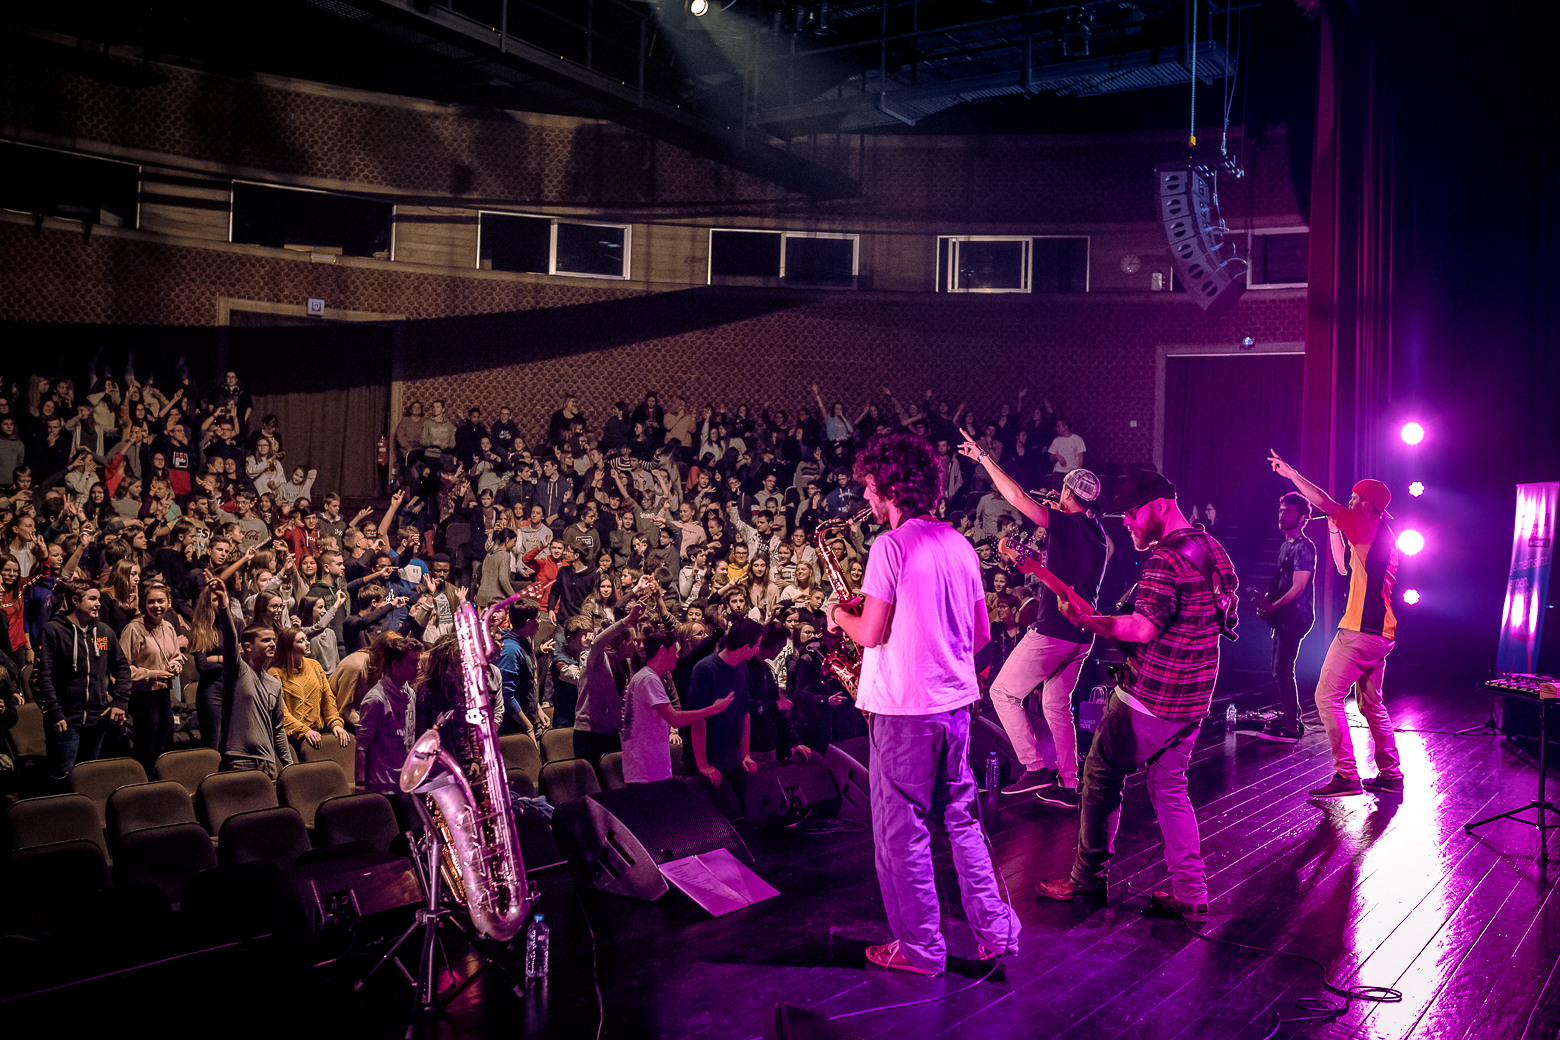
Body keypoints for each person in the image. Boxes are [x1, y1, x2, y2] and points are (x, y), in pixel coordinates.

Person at [829, 432, 1019, 976]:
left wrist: (835, 615)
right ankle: (995, 934)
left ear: (889, 486)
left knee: (902, 833)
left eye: (869, 486)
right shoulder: (959, 544)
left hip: (903, 714)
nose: (865, 498)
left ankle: (919, 949)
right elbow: (981, 632)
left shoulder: (889, 547)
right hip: (956, 709)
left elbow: (869, 632)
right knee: (962, 823)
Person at [1035, 470, 1236, 925]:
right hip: (1194, 698)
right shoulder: (1212, 549)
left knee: (1100, 775)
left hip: (1152, 696)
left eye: (1131, 512)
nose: (1126, 522)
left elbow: (1142, 628)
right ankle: (1191, 893)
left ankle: (1087, 879)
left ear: (1161, 505)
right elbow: (1225, 610)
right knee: (1170, 788)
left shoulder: (1166, 559)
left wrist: (1090, 622)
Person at [959, 426, 1108, 807]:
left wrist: (982, 459)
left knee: (1002, 692)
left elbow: (1015, 496)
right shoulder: (1098, 534)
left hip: (1054, 629)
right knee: (1055, 705)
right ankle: (1069, 784)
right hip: (1082, 632)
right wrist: (1036, 565)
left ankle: (1035, 767)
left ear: (1067, 494)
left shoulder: (1068, 524)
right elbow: (1068, 573)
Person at [1268, 451, 1403, 796]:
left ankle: (1347, 775)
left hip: (1359, 631)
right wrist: (1334, 528)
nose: (1350, 500)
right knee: (1372, 704)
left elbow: (1324, 501)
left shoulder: (1368, 524)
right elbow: (1344, 567)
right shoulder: (1383, 535)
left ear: (1370, 506)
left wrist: (1292, 474)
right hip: (1381, 633)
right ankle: (1390, 774)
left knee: (1327, 696)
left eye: (1356, 498)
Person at [34, 580, 133, 786]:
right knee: (63, 777)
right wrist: (53, 712)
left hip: (98, 719)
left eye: (99, 599)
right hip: (65, 719)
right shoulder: (53, 631)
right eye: (93, 599)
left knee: (88, 776)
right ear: (75, 601)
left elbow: (122, 668)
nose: (98, 604)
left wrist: (119, 701)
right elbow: (40, 678)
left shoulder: (104, 633)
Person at [1246, 491, 1317, 743]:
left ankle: (1290, 726)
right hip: (1284, 614)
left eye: (1288, 511)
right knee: (1281, 669)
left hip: (1296, 616)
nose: (1282, 515)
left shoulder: (1305, 547)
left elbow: (1298, 587)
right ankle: (1291, 719)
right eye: (1280, 510)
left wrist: (1273, 606)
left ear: (1303, 518)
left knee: (1283, 669)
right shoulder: (1285, 546)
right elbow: (1283, 581)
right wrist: (1268, 601)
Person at [620, 628, 734, 784]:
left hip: (646, 768)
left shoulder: (648, 677)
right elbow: (674, 719)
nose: (677, 656)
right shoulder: (648, 679)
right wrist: (713, 709)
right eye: (675, 651)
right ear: (662, 650)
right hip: (645, 771)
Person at [210, 581, 293, 777]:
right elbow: (230, 641)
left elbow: (278, 729)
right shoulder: (238, 671)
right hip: (238, 760)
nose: (272, 644)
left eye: (273, 640)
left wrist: (289, 765)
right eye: (266, 640)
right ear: (247, 647)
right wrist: (224, 606)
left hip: (268, 763)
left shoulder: (274, 683)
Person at [118, 582, 185, 773]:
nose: (157, 605)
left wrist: (176, 664)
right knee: (147, 749)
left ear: (169, 603)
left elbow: (176, 655)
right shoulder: (133, 629)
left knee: (165, 744)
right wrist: (153, 674)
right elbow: (122, 670)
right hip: (142, 698)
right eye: (151, 602)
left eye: (161, 601)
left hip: (163, 695)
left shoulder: (169, 627)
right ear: (143, 605)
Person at [355, 633, 426, 795]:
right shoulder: (376, 699)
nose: (419, 667)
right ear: (395, 665)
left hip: (404, 783)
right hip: (383, 788)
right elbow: (361, 746)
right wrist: (360, 784)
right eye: (413, 662)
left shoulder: (410, 694)